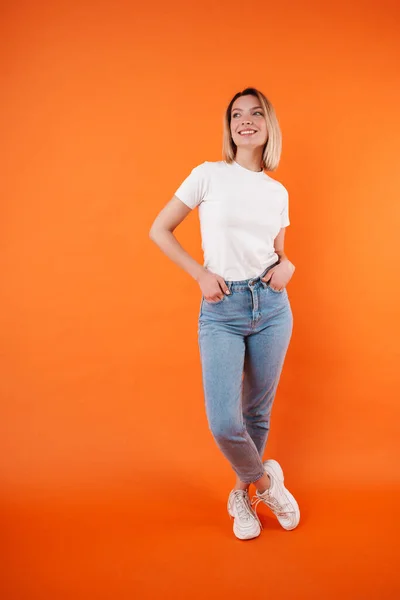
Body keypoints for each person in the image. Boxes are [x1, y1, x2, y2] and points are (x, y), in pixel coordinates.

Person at [149, 87, 300, 540]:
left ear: (268, 125)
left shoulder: (277, 191)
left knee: (256, 415)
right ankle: (266, 482)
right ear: (230, 126)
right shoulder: (208, 175)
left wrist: (289, 267)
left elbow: (278, 254)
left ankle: (241, 497)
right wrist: (199, 274)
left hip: (272, 307)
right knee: (224, 421)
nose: (246, 120)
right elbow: (159, 229)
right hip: (221, 307)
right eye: (237, 115)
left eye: (256, 113)